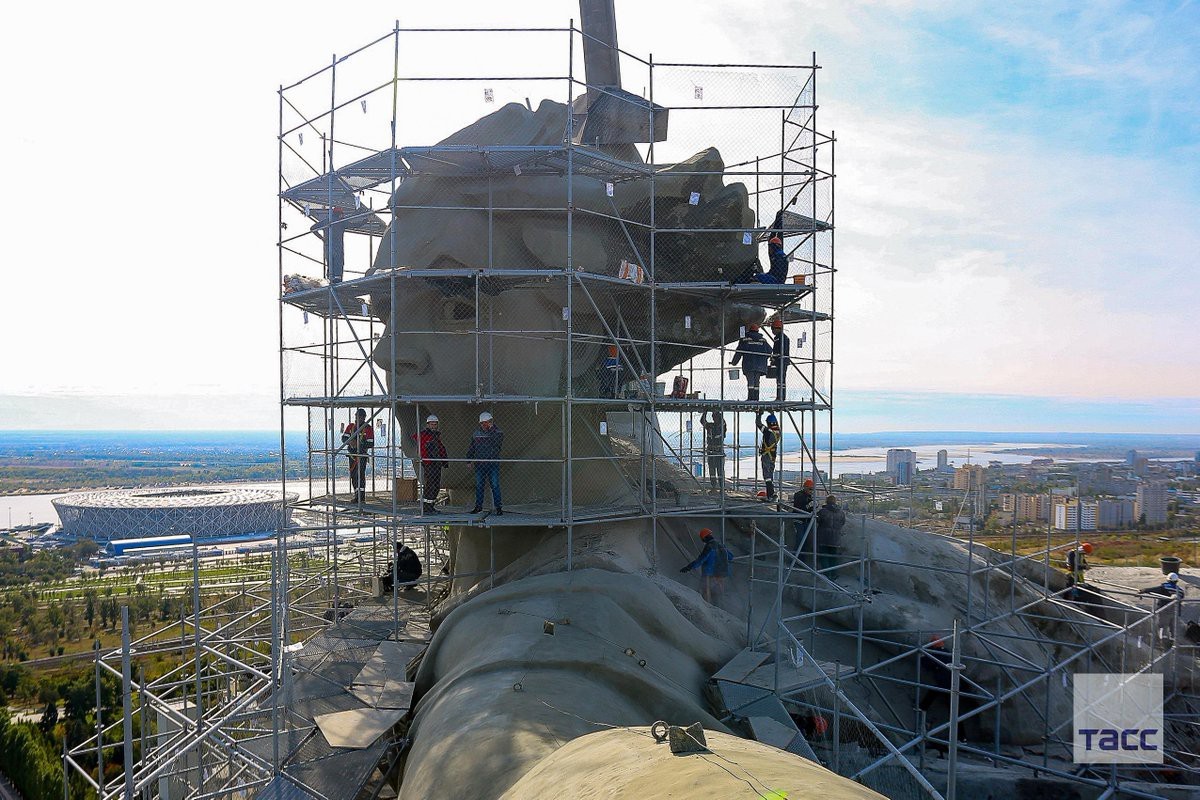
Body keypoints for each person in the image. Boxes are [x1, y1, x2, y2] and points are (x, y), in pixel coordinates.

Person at [679, 528, 733, 604]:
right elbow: (731, 556)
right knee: (719, 592)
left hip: (710, 573)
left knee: (705, 590)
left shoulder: (709, 547)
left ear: (704, 538)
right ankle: (720, 607)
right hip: (722, 573)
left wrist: (689, 567)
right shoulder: (722, 545)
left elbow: (701, 560)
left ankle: (707, 608)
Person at [467, 411, 504, 514]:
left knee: (495, 485)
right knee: (479, 486)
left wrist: (491, 430)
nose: (484, 425)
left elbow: (497, 443)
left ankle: (498, 508)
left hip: (493, 463)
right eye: (482, 423)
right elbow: (472, 447)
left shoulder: (498, 432)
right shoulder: (476, 434)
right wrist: (469, 459)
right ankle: (478, 507)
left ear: (491, 422)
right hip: (480, 464)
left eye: (486, 423)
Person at [413, 415, 449, 514]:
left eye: (435, 424)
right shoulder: (425, 436)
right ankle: (426, 507)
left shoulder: (435, 436)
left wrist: (444, 461)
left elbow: (440, 449)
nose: (434, 426)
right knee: (431, 485)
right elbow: (423, 449)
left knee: (436, 485)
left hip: (436, 463)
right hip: (430, 464)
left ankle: (430, 506)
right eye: (432, 424)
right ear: (428, 424)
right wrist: (427, 461)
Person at [310, 206, 352, 283]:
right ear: (340, 214)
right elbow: (355, 225)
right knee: (338, 263)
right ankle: (337, 279)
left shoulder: (326, 221)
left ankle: (330, 278)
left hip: (328, 247)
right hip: (337, 247)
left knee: (330, 263)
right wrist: (366, 220)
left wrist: (322, 238)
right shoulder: (341, 222)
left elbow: (312, 228)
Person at [730, 323, 771, 401]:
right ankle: (756, 398)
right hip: (760, 365)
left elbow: (739, 352)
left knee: (750, 381)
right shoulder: (763, 340)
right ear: (757, 331)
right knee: (756, 382)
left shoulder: (745, 339)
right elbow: (769, 351)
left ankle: (750, 398)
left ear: (749, 330)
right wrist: (763, 358)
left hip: (749, 364)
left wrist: (734, 362)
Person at [342, 408, 374, 504]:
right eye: (357, 416)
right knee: (354, 476)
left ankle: (361, 498)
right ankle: (357, 496)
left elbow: (371, 443)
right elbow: (344, 438)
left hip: (361, 455)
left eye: (361, 416)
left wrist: (358, 444)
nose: (359, 418)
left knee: (360, 475)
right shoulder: (351, 427)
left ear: (364, 417)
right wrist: (351, 442)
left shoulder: (367, 428)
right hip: (352, 455)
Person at [754, 210, 789, 284]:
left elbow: (777, 235)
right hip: (775, 277)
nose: (769, 248)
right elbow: (777, 235)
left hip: (776, 279)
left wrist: (778, 218)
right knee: (759, 275)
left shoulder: (777, 255)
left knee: (755, 277)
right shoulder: (779, 251)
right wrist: (778, 219)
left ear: (773, 246)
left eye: (770, 247)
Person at [815, 494, 846, 572]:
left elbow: (817, 520)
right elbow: (842, 522)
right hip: (835, 538)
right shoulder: (841, 512)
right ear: (835, 502)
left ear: (826, 501)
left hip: (823, 537)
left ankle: (826, 573)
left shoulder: (823, 511)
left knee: (824, 555)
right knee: (833, 556)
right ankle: (833, 573)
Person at [756, 412, 780, 501]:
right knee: (770, 474)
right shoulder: (778, 431)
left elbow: (758, 423)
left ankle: (771, 495)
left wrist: (759, 414)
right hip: (772, 456)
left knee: (767, 476)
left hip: (767, 455)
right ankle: (772, 494)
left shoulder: (768, 432)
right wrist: (771, 413)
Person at [699, 410, 727, 490]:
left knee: (720, 469)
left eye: (716, 417)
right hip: (710, 450)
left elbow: (723, 422)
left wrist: (716, 411)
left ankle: (722, 486)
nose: (714, 419)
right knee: (711, 468)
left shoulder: (722, 426)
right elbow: (702, 421)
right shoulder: (710, 426)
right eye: (713, 417)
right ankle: (713, 486)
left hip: (718, 451)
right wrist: (705, 411)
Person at [766, 317, 790, 401]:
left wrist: (774, 357)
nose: (772, 331)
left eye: (772, 329)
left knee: (780, 379)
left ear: (777, 328)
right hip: (782, 360)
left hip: (781, 360)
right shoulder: (783, 337)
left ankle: (780, 397)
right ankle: (781, 396)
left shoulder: (779, 338)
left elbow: (779, 350)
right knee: (781, 379)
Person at [792, 478, 815, 557]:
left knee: (805, 541)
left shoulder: (809, 496)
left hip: (806, 521)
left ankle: (801, 559)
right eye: (810, 489)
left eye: (812, 489)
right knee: (800, 540)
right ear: (805, 487)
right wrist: (809, 505)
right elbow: (799, 508)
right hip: (799, 520)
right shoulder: (799, 495)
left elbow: (809, 508)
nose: (811, 491)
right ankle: (795, 559)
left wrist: (813, 507)